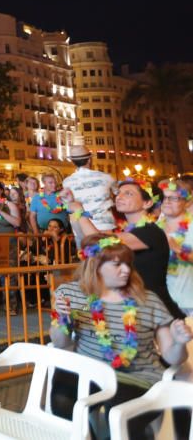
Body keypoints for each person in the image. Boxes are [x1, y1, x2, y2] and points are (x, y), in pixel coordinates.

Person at [49, 234, 191, 439]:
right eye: (117, 264)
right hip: (91, 372)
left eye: (128, 264)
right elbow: (60, 343)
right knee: (63, 402)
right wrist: (63, 319)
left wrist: (178, 342)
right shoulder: (73, 294)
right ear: (96, 265)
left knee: (120, 420)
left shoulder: (147, 299)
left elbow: (173, 357)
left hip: (137, 378)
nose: (126, 270)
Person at [67, 179, 184, 319]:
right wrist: (72, 207)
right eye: (119, 193)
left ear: (147, 203)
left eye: (128, 194)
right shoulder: (126, 232)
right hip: (133, 306)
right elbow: (87, 240)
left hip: (154, 310)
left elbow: (99, 243)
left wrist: (80, 211)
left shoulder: (151, 231)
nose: (119, 197)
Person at [157, 179, 193, 317]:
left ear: (187, 202)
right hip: (162, 302)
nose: (167, 201)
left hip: (189, 303)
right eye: (164, 197)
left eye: (174, 198)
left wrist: (177, 249)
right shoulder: (155, 227)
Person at [62, 144, 116, 233]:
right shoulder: (106, 177)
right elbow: (117, 192)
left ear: (73, 161)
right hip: (104, 224)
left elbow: (68, 204)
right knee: (107, 246)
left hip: (80, 225)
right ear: (89, 160)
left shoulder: (66, 182)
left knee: (84, 247)